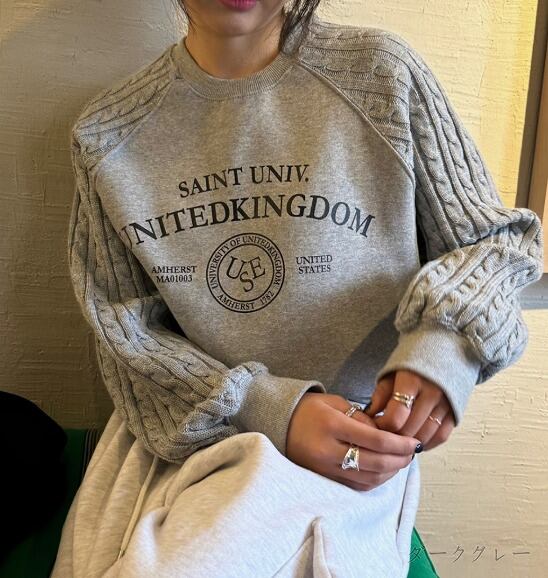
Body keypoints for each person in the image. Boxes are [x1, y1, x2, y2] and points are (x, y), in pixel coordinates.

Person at [51, 1, 544, 577]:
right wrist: (267, 408)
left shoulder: (381, 76)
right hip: (187, 432)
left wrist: (442, 348)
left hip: (353, 443)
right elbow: (125, 334)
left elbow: (498, 244)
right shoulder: (106, 134)